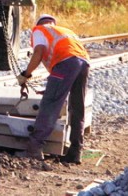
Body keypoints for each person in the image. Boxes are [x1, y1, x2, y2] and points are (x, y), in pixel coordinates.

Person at [17, 14, 90, 163]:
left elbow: (39, 52)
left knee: (50, 105)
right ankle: (75, 152)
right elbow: (71, 59)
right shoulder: (64, 31)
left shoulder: (40, 30)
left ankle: (34, 149)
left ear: (40, 23)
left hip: (66, 63)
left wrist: (26, 74)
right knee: (77, 107)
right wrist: (52, 87)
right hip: (84, 63)